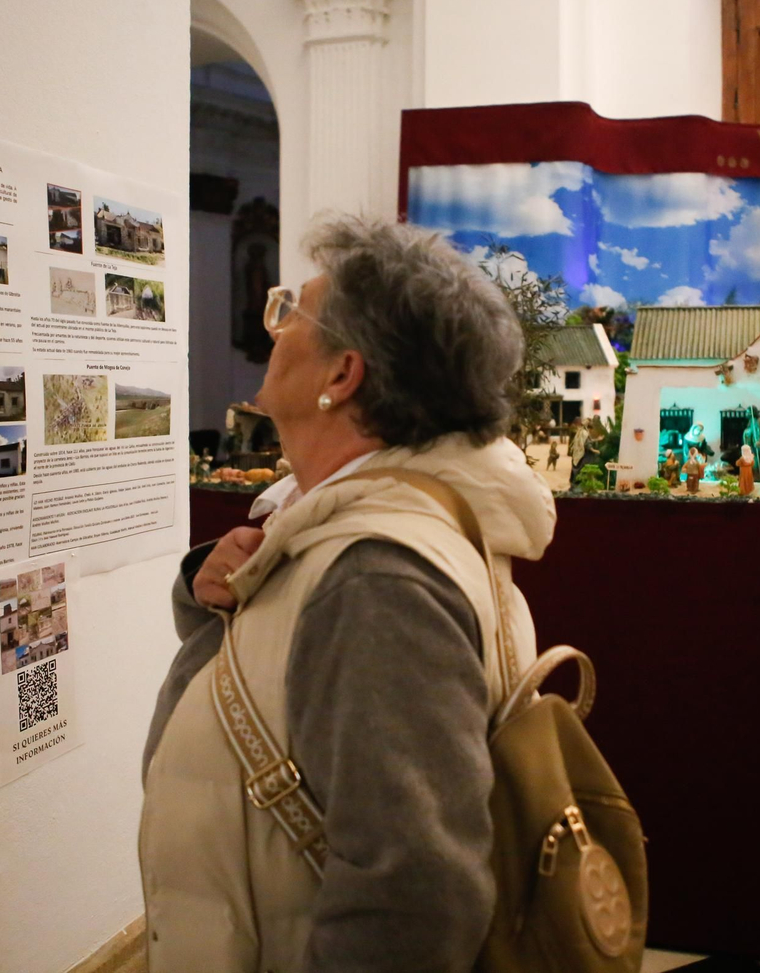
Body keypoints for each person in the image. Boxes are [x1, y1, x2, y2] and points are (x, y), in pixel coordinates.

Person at [140, 217, 554, 972]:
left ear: (342, 376)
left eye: (290, 312)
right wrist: (211, 593)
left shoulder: (377, 579)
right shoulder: (348, 524)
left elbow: (414, 900)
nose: (273, 328)